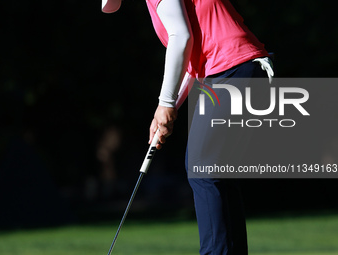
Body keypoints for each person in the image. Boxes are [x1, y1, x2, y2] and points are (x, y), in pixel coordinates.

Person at [102, 0, 274, 254]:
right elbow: (193, 65)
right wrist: (165, 111)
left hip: (233, 69)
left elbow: (181, 38)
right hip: (238, 70)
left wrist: (166, 104)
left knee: (203, 169)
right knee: (216, 175)